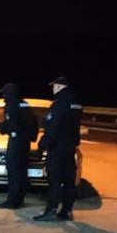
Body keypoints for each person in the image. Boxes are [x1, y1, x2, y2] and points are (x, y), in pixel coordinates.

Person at [34, 76, 83, 221]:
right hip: (70, 148)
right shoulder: (76, 103)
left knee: (54, 181)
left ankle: (51, 210)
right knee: (69, 181)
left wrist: (41, 147)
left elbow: (52, 128)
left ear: (60, 86)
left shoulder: (59, 103)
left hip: (57, 148)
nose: (53, 89)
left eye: (54, 86)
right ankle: (67, 210)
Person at [0, 82, 39, 208]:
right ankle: (19, 199)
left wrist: (2, 127)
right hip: (24, 143)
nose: (3, 96)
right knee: (21, 172)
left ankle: (12, 202)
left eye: (5, 94)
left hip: (16, 143)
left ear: (9, 94)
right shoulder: (24, 104)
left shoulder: (12, 105)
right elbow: (32, 122)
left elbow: (12, 124)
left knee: (14, 172)